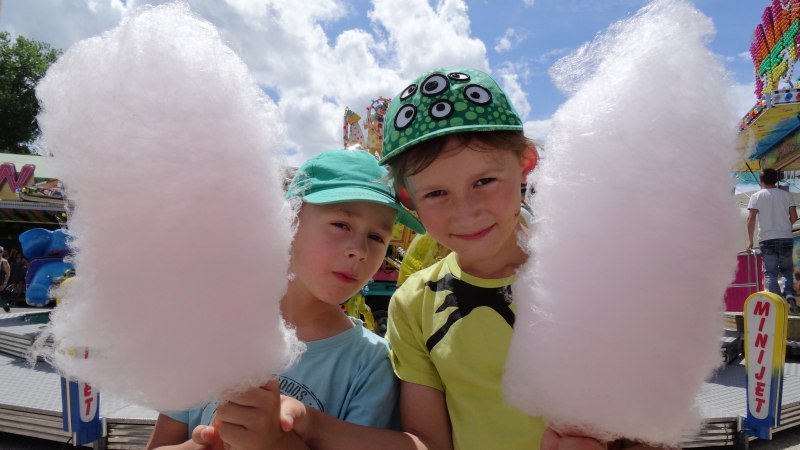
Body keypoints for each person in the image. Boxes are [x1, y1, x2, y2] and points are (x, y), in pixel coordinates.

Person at [253, 68, 663, 450]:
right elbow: (426, 443)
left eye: (484, 181)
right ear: (410, 200)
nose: (465, 212)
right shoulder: (414, 303)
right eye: (436, 194)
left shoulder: (595, 277)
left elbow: (656, 418)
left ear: (525, 165)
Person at [144, 149, 425, 450]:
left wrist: (279, 443)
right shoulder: (215, 335)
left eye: (376, 237)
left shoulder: (370, 363)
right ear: (288, 222)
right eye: (341, 225)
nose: (359, 250)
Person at [746, 167, 798, 313]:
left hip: (767, 239)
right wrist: (784, 226)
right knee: (787, 270)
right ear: (776, 180)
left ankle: (779, 304)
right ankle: (789, 295)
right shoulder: (786, 195)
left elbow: (751, 219)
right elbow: (794, 217)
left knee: (770, 273)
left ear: (761, 181)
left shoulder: (756, 197)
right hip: (786, 237)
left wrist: (749, 240)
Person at [0, 246, 11, 313]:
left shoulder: (4, 262)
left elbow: (8, 273)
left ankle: (6, 306)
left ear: (2, 252)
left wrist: (4, 284)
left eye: (0, 251)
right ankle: (6, 306)